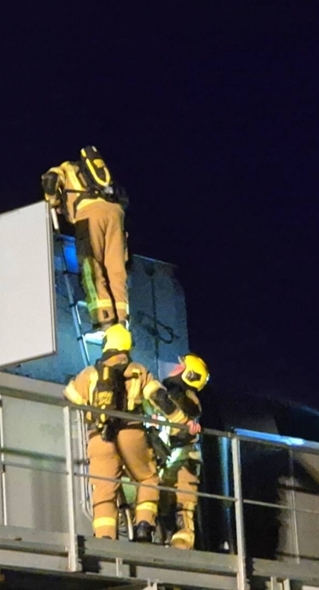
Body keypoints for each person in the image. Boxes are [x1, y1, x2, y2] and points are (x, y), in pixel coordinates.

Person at [63, 324, 194, 542]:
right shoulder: (137, 370)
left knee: (104, 488)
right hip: (131, 431)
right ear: (127, 346)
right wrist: (182, 422)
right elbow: (159, 398)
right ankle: (143, 526)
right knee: (148, 477)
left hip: (98, 435)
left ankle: (105, 536)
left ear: (106, 345)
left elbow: (69, 397)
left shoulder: (88, 373)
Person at [42, 147, 129, 337]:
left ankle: (104, 320)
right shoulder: (97, 175)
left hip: (89, 215)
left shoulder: (65, 168)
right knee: (116, 269)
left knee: (92, 268)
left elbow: (50, 180)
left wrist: (51, 202)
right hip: (116, 214)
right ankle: (122, 321)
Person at [153, 353, 209, 550]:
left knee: (183, 506)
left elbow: (186, 417)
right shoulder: (167, 394)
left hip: (183, 459)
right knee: (163, 503)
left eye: (180, 367)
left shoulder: (186, 399)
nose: (174, 369)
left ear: (189, 375)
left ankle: (182, 547)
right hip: (167, 459)